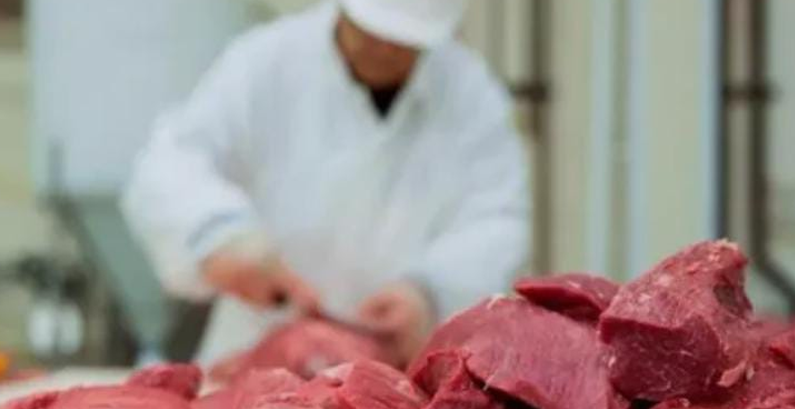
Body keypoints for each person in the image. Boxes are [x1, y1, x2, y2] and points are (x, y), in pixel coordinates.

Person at [124, 0, 530, 365]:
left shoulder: (471, 94)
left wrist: (428, 293)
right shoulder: (265, 61)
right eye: (374, 32)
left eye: (403, 41)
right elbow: (170, 164)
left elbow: (495, 219)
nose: (386, 48)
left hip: (394, 375)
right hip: (254, 360)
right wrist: (224, 237)